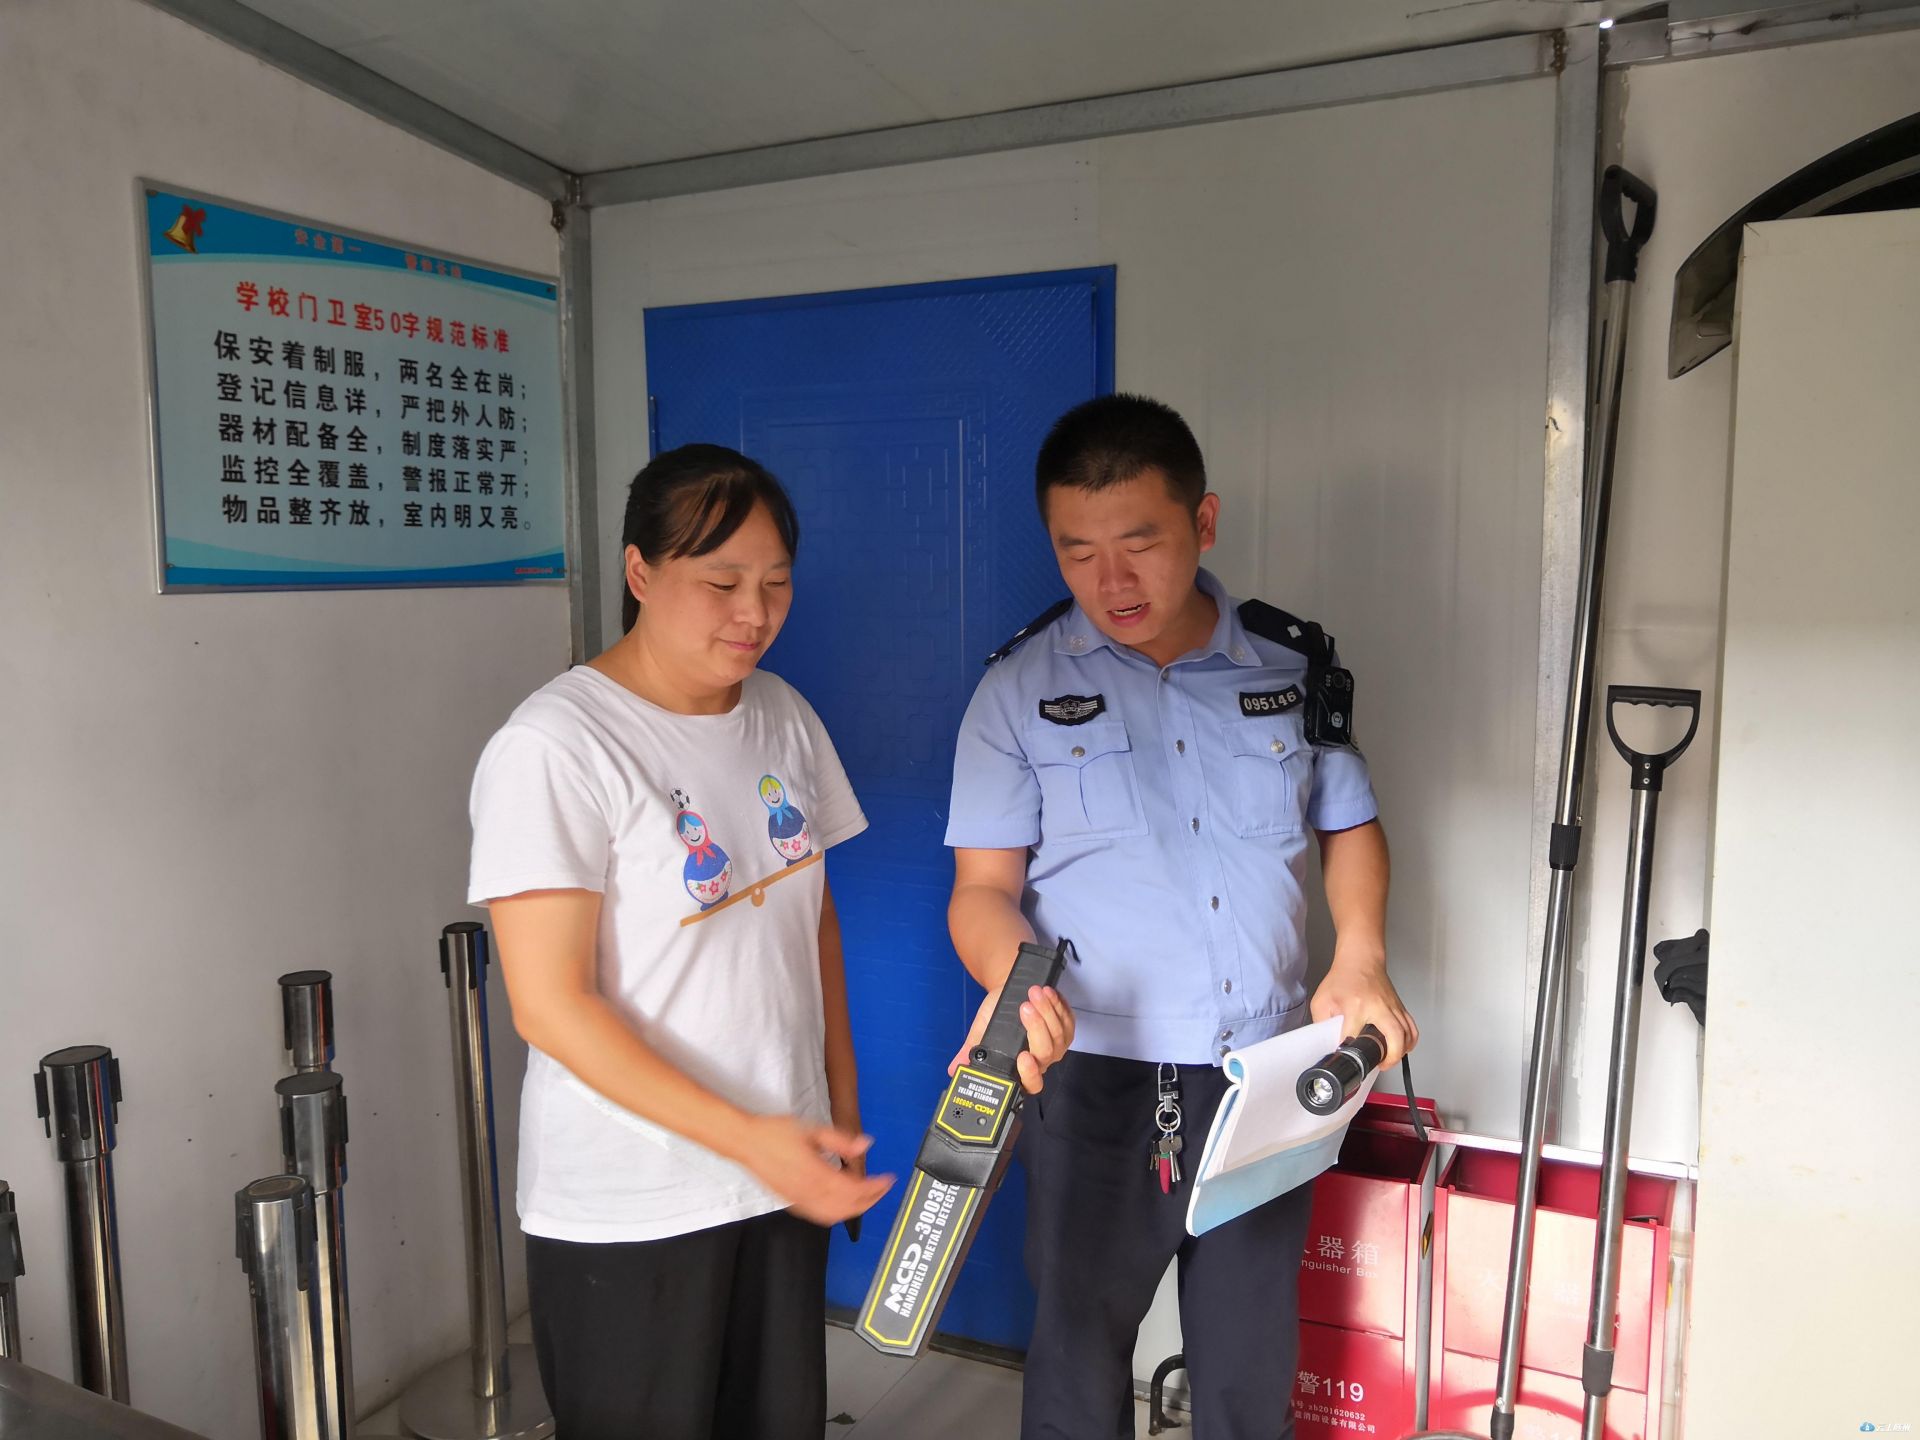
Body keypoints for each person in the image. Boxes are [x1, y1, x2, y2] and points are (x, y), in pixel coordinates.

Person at [944, 395, 1419, 1440]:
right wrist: (1016, 989)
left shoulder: (1294, 667)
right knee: (1075, 1365)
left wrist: (1362, 956)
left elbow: (1349, 824)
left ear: (1203, 523)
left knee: (1249, 1368)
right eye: (1077, 553)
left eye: (1140, 544)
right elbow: (983, 889)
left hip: (1267, 1071)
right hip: (1094, 1076)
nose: (1111, 582)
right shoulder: (1017, 690)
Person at [465, 445, 906, 1440]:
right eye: (721, 582)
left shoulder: (783, 714)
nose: (754, 612)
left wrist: (836, 1106)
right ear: (639, 572)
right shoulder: (557, 745)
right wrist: (754, 1140)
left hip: (780, 1172)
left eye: (776, 583)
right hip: (636, 1203)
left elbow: (811, 919)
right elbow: (550, 1006)